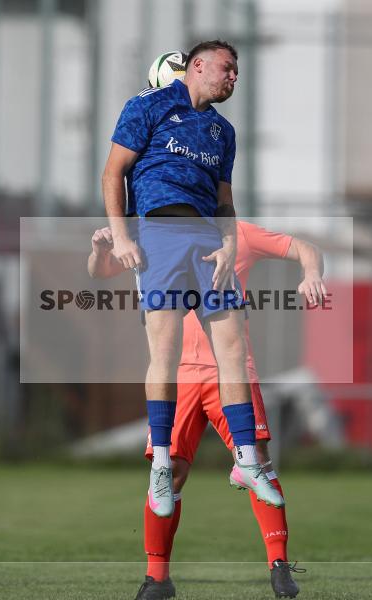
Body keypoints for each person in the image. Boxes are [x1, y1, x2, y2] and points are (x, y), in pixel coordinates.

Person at [89, 221, 324, 599]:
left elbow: (306, 248)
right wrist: (102, 248)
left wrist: (311, 275)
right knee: (170, 471)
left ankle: (280, 566)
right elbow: (102, 271)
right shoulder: (153, 233)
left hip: (230, 374)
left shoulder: (237, 233)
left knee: (258, 460)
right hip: (176, 379)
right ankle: (157, 579)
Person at [102, 39, 284, 519]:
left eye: (237, 71)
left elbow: (225, 201)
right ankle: (161, 462)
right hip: (160, 232)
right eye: (227, 68)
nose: (233, 77)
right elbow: (113, 172)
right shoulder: (149, 105)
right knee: (166, 351)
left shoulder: (224, 131)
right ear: (197, 66)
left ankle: (246, 459)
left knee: (233, 350)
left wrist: (229, 244)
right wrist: (122, 236)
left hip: (208, 240)